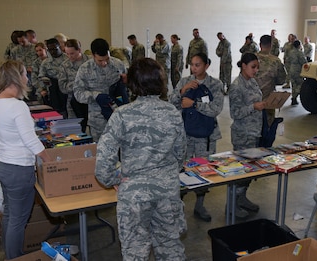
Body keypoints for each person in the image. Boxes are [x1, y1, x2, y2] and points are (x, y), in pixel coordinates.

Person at [95, 58, 187, 260]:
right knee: (170, 247)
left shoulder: (121, 115)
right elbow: (181, 153)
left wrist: (114, 179)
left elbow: (103, 160)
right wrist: (167, 173)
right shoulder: (172, 113)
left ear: (132, 84)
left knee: (135, 252)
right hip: (167, 191)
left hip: (134, 194)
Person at [0, 60, 50, 259]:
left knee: (10, 214)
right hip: (18, 169)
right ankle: (15, 257)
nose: (27, 78)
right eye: (24, 74)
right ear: (16, 79)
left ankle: (12, 254)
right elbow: (30, 140)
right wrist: (49, 159)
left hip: (3, 165)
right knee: (18, 219)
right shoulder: (18, 107)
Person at [170, 53, 223, 222]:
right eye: (192, 64)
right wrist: (181, 92)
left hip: (205, 136)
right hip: (185, 135)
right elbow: (171, 103)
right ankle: (178, 208)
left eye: (198, 65)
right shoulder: (185, 82)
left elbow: (216, 108)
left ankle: (200, 205)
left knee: (204, 170)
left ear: (206, 65)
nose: (194, 68)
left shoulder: (215, 84)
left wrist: (194, 104)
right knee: (181, 169)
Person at [229, 53, 266, 219]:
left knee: (249, 171)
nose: (256, 70)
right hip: (242, 134)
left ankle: (242, 198)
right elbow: (235, 113)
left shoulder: (252, 81)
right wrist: (254, 107)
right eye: (253, 67)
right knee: (240, 171)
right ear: (243, 66)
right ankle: (232, 205)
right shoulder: (237, 86)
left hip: (254, 132)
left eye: (257, 67)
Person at [73, 38, 128, 142]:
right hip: (97, 121)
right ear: (93, 55)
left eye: (107, 59)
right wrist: (95, 96)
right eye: (100, 60)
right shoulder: (85, 69)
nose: (104, 63)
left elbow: (125, 89)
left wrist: (126, 83)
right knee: (101, 152)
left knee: (121, 151)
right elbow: (78, 93)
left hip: (119, 117)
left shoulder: (118, 64)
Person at [58, 39, 89, 131]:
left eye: (72, 53)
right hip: (72, 103)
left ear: (79, 50)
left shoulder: (90, 62)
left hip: (91, 102)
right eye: (67, 53)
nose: (69, 56)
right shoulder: (64, 66)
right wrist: (78, 83)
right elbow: (63, 87)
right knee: (75, 132)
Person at [255, 35, 286, 126]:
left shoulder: (251, 58)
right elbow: (281, 80)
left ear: (260, 45)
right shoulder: (275, 61)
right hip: (268, 100)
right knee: (267, 127)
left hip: (251, 100)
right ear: (271, 45)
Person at [39, 38, 68, 117]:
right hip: (53, 91)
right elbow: (41, 76)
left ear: (59, 46)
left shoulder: (67, 59)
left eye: (55, 49)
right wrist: (43, 88)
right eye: (50, 50)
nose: (52, 52)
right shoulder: (46, 62)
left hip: (66, 91)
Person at [288, 40, 307, 105]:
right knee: (300, 84)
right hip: (298, 70)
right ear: (299, 45)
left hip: (291, 69)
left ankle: (294, 99)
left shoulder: (291, 52)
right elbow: (303, 62)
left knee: (293, 85)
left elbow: (288, 60)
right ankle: (294, 97)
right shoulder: (300, 53)